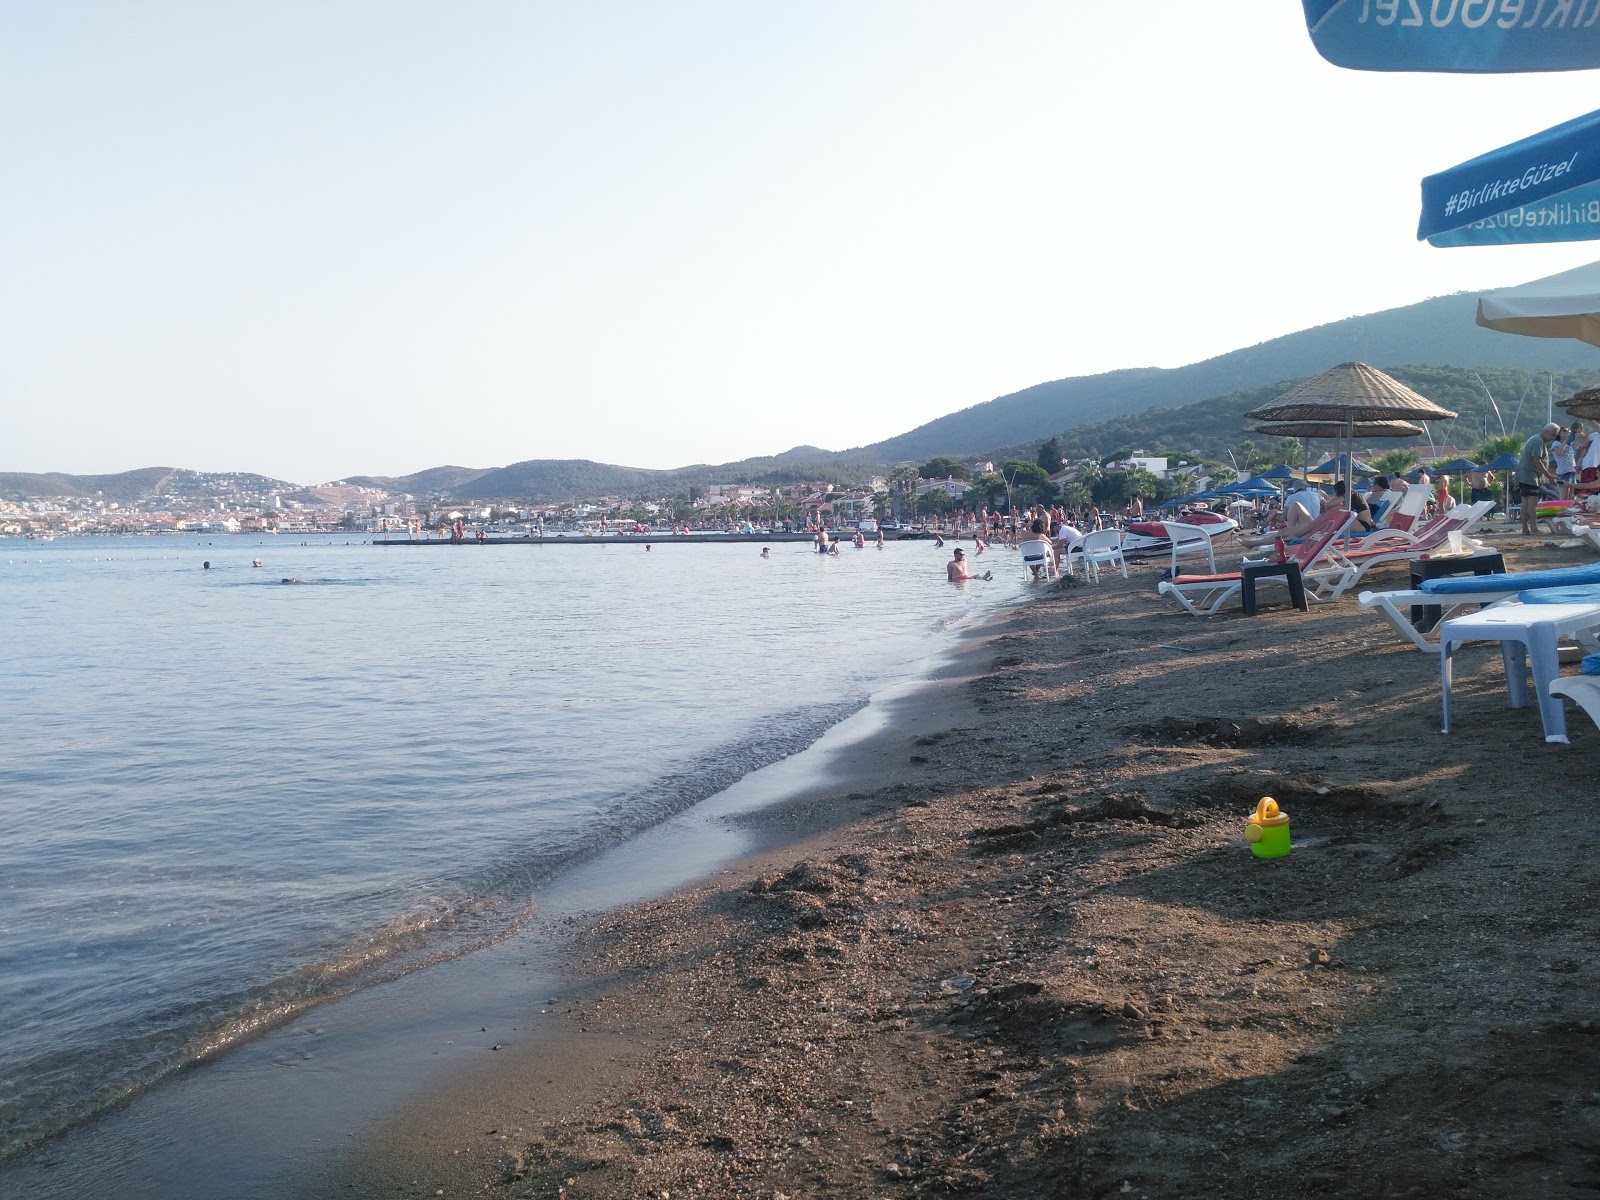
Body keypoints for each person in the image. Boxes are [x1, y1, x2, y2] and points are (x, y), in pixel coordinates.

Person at [1517, 423, 1561, 535]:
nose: (1553, 438)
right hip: (1530, 475)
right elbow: (1537, 460)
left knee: (1525, 502)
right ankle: (1533, 528)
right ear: (1546, 431)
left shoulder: (1535, 439)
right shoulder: (1538, 441)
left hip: (1525, 474)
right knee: (1532, 502)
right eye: (1553, 434)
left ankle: (1525, 528)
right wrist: (1549, 475)